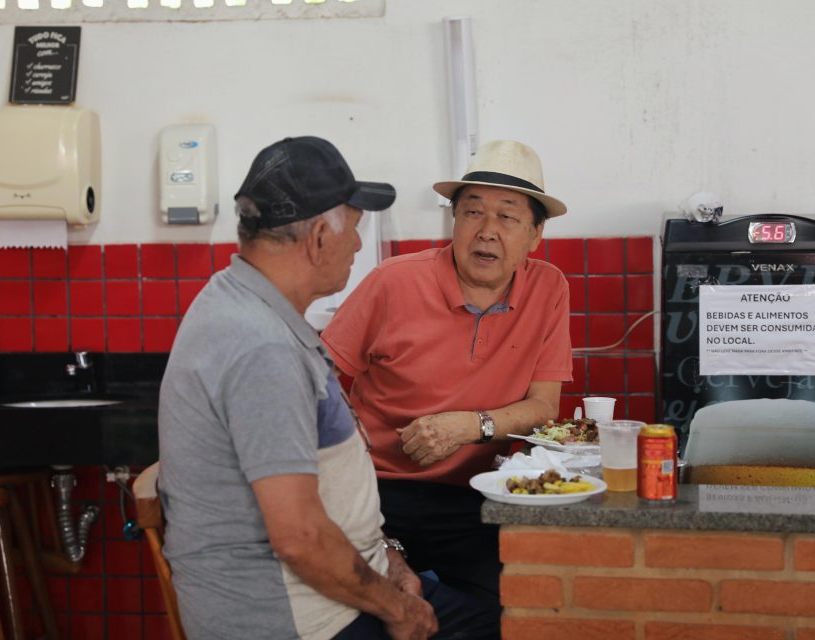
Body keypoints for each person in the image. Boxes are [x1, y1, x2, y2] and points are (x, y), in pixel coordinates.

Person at [158, 136, 499, 640]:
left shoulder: (240, 303)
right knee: (510, 626)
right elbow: (299, 538)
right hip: (292, 620)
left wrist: (390, 558)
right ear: (319, 236)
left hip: (326, 593)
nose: (359, 245)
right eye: (355, 229)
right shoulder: (261, 349)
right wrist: (397, 608)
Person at [320, 139, 572, 617]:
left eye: (508, 217)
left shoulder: (548, 288)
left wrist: (467, 426)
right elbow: (318, 382)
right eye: (472, 213)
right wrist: (346, 451)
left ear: (535, 235)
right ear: (453, 222)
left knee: (515, 611)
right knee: (367, 614)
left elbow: (544, 407)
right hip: (376, 491)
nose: (487, 231)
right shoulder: (393, 281)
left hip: (478, 496)